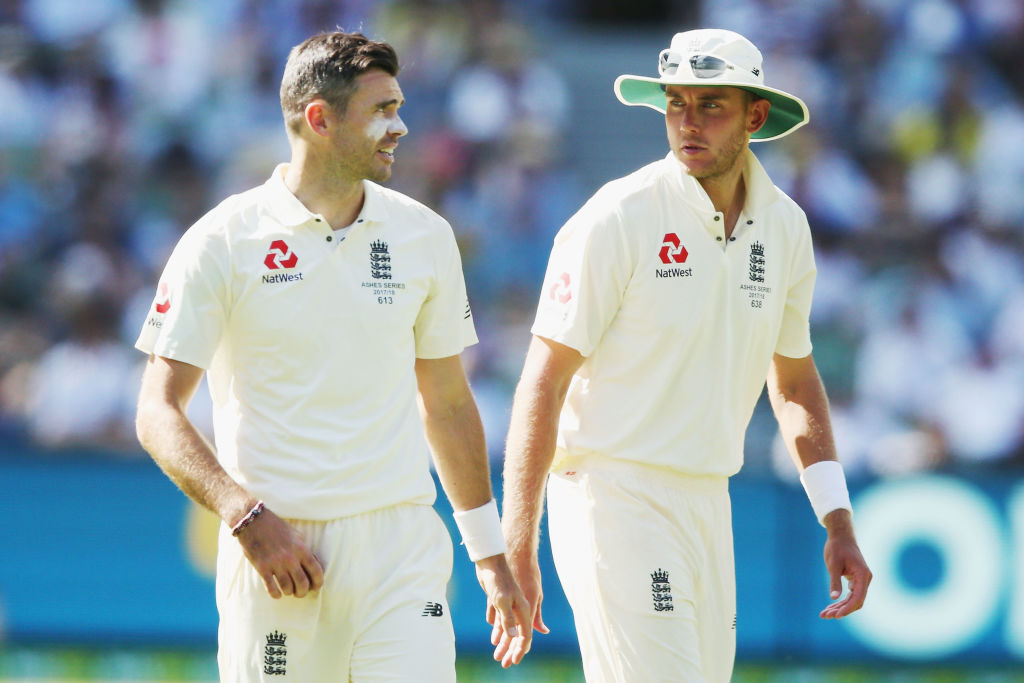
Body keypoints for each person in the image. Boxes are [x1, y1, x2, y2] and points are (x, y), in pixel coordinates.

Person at [134, 31, 529, 681]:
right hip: (280, 554)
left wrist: (489, 555)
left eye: (399, 107)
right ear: (319, 119)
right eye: (381, 110)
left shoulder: (425, 235)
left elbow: (448, 404)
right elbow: (157, 411)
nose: (400, 127)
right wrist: (242, 514)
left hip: (402, 552)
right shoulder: (221, 241)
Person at [496, 28, 872, 681]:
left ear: (756, 115)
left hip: (707, 499)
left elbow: (792, 380)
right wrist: (516, 541)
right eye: (676, 103)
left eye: (711, 105)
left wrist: (836, 518)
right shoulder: (618, 215)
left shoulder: (785, 226)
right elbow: (542, 381)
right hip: (613, 493)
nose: (687, 123)